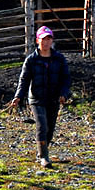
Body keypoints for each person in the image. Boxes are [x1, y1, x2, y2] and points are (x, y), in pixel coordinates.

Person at [9, 26, 71, 168]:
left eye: (49, 39)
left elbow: (66, 79)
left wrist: (64, 93)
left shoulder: (59, 59)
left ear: (52, 41)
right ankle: (44, 157)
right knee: (42, 125)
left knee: (50, 127)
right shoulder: (31, 60)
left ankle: (43, 150)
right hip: (36, 99)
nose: (46, 42)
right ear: (38, 41)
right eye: (43, 39)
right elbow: (24, 80)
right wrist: (18, 96)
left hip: (54, 98)